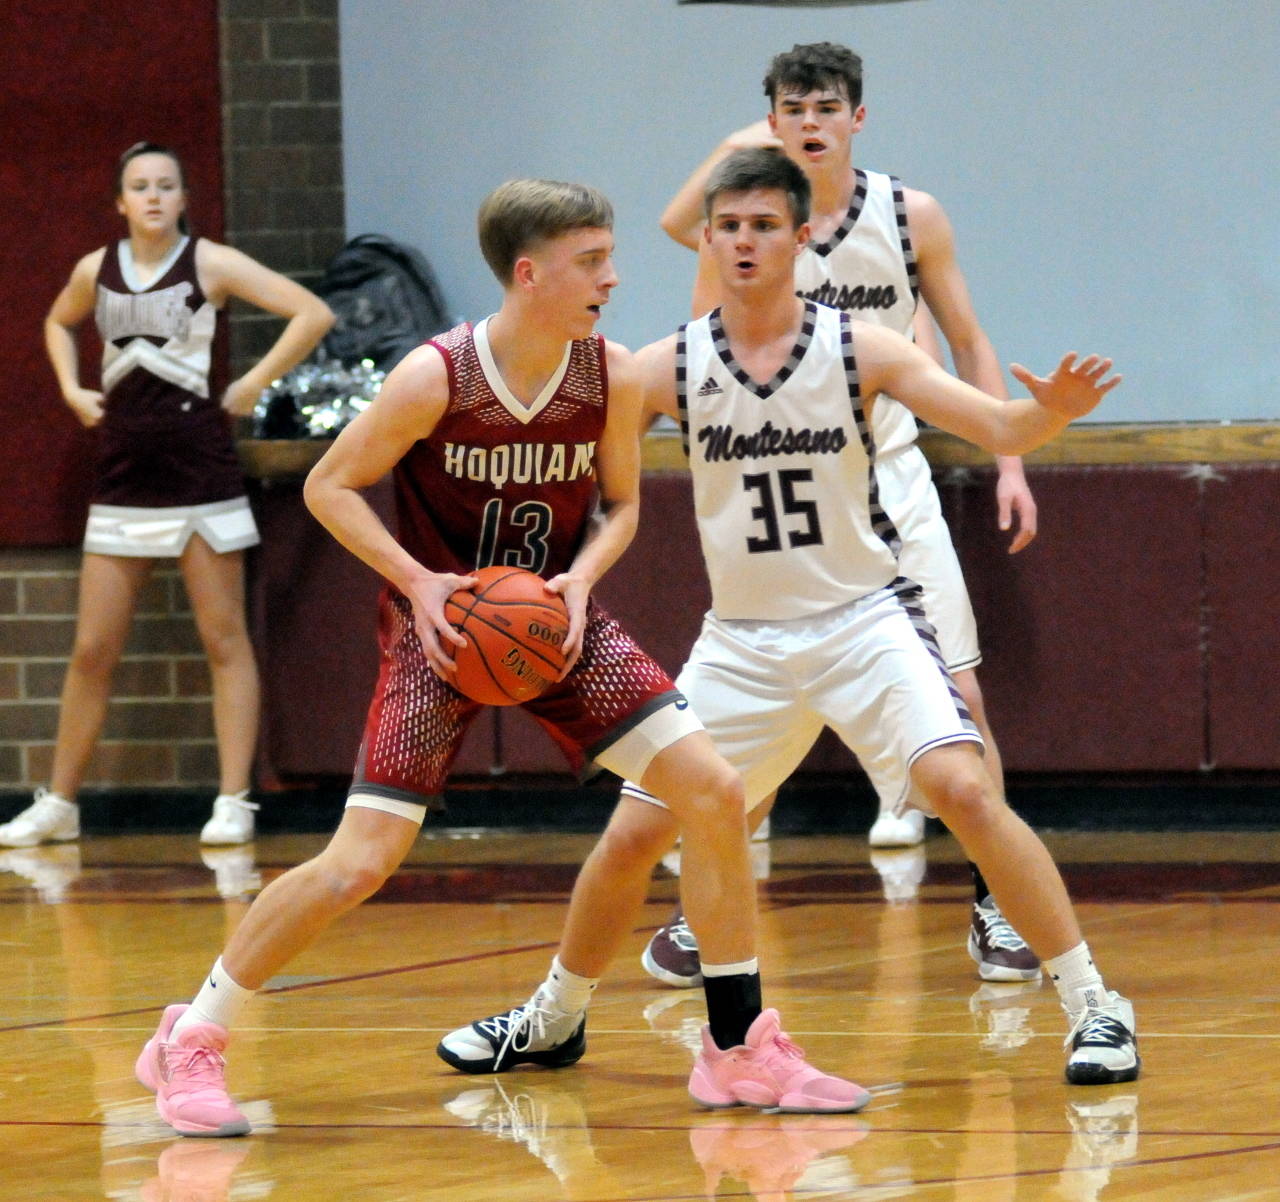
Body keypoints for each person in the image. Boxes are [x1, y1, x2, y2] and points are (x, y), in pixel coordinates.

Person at [132, 178, 868, 1139]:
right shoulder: (435, 376)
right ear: (530, 274)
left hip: (554, 620)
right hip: (444, 635)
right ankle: (192, 1035)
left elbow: (623, 507)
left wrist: (582, 578)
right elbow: (328, 485)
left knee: (714, 790)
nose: (614, 274)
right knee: (361, 861)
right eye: (592, 260)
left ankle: (737, 1049)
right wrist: (420, 581)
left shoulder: (608, 374)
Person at [442, 150, 1138, 1088]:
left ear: (800, 239)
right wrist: (550, 565)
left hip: (862, 620)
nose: (742, 241)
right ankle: (555, 1018)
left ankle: (1095, 1003)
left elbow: (998, 428)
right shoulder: (665, 367)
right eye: (727, 226)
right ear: (708, 239)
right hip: (742, 644)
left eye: (763, 225)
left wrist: (1050, 414)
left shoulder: (863, 347)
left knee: (966, 790)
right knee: (633, 835)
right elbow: (603, 494)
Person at [645, 40, 1040, 987]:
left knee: (962, 696)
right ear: (770, 119)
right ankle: (709, 909)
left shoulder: (909, 216)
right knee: (747, 724)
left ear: (857, 118)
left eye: (826, 108)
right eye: (793, 108)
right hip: (785, 496)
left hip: (892, 483)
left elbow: (972, 340)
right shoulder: (741, 226)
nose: (810, 123)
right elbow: (700, 359)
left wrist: (1011, 461)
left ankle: (1000, 904)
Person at [0, 142, 333, 852]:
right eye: (139, 187)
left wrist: (252, 384)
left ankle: (233, 800)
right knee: (92, 648)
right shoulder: (95, 270)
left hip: (198, 471)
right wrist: (68, 388)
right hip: (122, 474)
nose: (153, 197)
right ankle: (59, 803)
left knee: (223, 638)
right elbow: (57, 321)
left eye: (166, 186)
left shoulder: (210, 263)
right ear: (120, 202)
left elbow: (310, 313)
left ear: (183, 198)